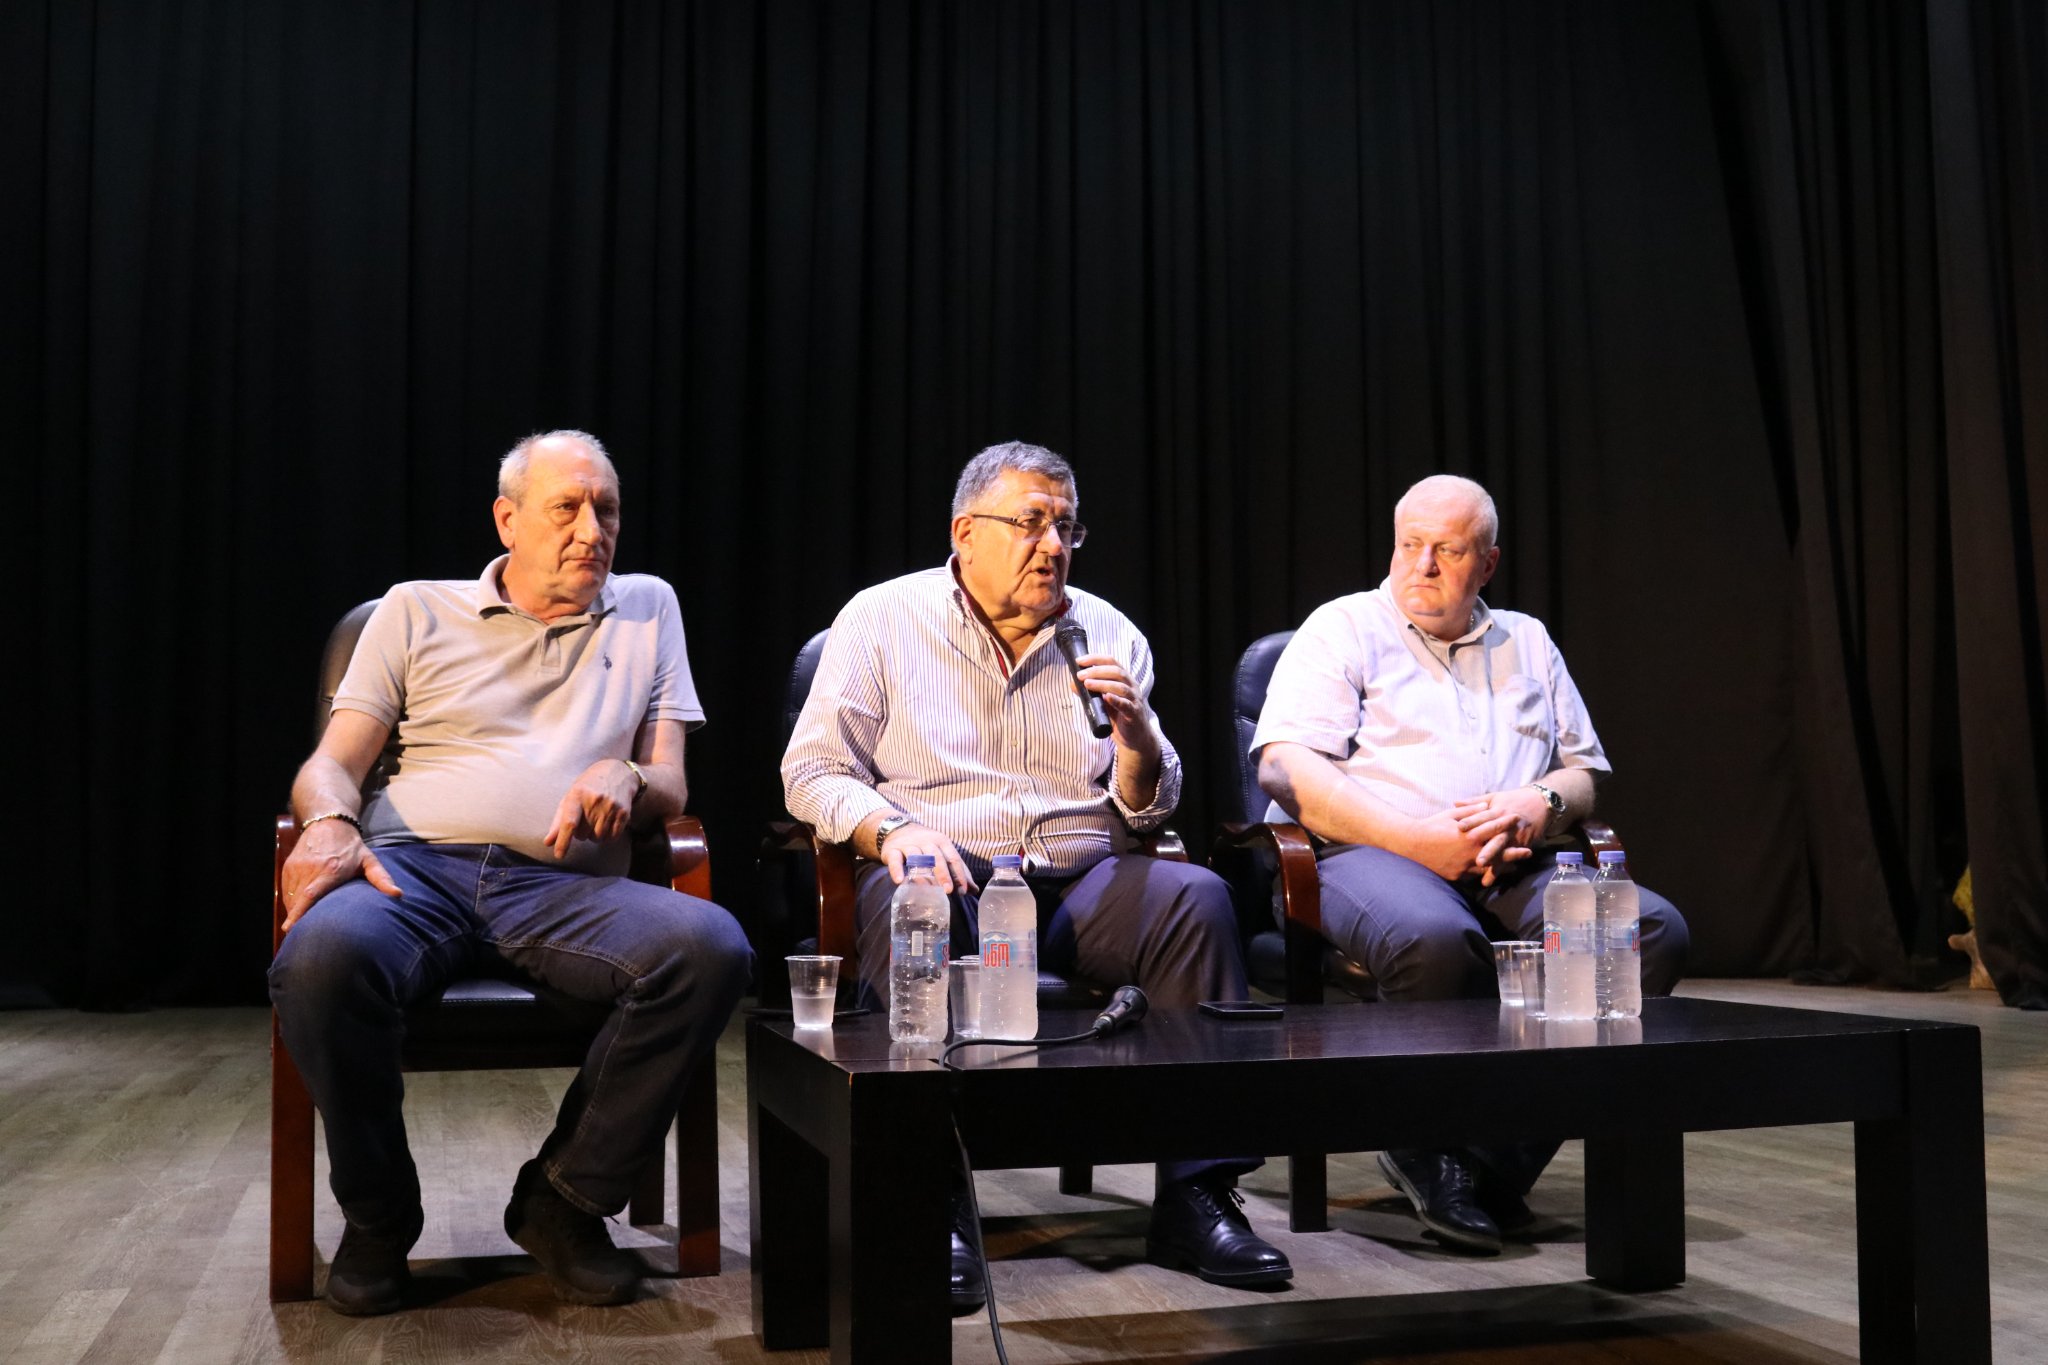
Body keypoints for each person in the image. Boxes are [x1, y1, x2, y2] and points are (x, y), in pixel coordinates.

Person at [781, 441, 1292, 1307]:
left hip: (1080, 880)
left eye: (1066, 527)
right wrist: (893, 828)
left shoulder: (1109, 632)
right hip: (942, 867)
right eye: (1030, 522)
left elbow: (1146, 812)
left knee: (1196, 896)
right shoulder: (882, 619)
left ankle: (1197, 1192)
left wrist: (1138, 739)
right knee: (919, 903)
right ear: (965, 532)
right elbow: (813, 771)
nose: (1053, 545)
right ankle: (931, 1196)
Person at [268, 431, 752, 1315]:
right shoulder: (414, 609)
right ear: (508, 520)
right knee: (319, 961)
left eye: (606, 509)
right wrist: (331, 821)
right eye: (566, 507)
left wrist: (630, 775)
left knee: (709, 946)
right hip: (412, 873)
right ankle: (378, 1217)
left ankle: (563, 1202)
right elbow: (330, 765)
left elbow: (671, 782)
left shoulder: (648, 607)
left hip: (565, 886)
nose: (591, 530)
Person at [1252, 473, 1689, 1254]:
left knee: (1647, 930)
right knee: (1435, 938)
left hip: (1512, 864)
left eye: (1447, 551)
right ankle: (1428, 1139)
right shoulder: (1344, 627)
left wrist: (1540, 801)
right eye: (1409, 545)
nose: (1421, 565)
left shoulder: (1527, 640)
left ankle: (1486, 1160)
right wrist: (1417, 840)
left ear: (1486, 563)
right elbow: (1287, 769)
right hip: (1365, 854)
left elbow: (1584, 774)